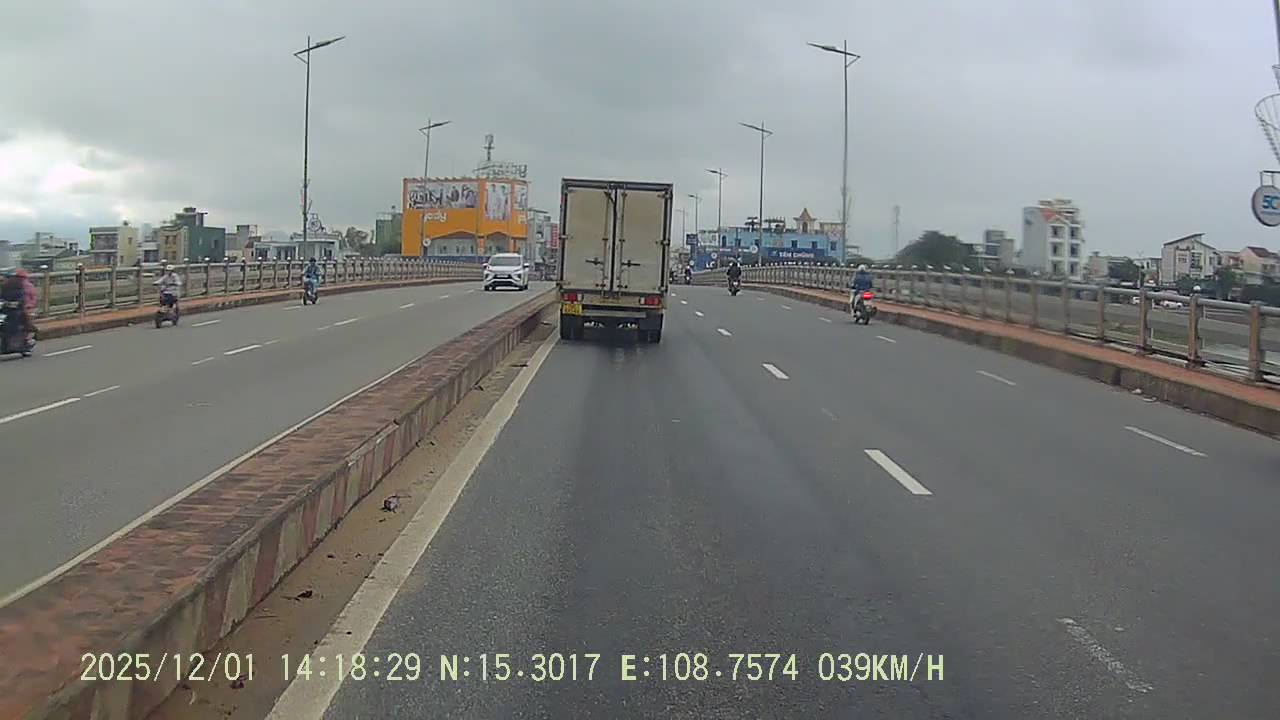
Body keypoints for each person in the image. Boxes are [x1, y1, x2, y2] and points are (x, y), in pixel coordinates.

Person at [1, 268, 38, 349]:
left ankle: (25, 340)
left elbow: (31, 297)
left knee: (25, 321)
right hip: (9, 308)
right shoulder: (6, 286)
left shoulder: (24, 286)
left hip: (23, 308)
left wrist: (27, 305)